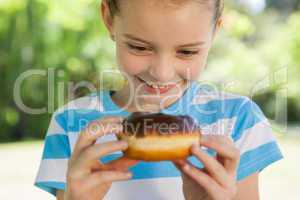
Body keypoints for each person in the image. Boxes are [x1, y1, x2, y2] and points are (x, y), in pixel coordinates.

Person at [35, 0, 283, 199]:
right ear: (109, 19)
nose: (162, 73)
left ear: (215, 30)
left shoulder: (239, 119)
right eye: (139, 47)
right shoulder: (71, 124)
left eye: (187, 52)